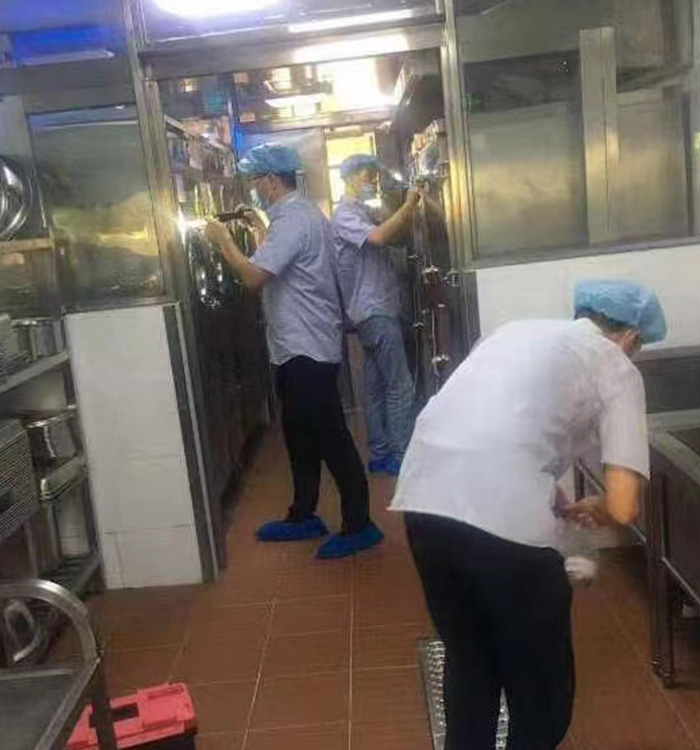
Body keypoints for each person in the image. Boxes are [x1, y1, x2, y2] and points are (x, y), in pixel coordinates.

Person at [390, 279, 668, 749]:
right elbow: (624, 505)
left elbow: (494, 429)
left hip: (424, 503)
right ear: (631, 338)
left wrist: (552, 498)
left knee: (470, 663)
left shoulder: (515, 332)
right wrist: (600, 507)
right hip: (504, 531)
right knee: (542, 696)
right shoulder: (615, 365)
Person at [204, 143, 383, 560]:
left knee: (330, 436)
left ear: (270, 180)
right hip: (296, 345)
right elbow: (279, 261)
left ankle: (361, 524)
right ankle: (303, 514)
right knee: (300, 435)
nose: (254, 188)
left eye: (255, 181)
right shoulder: (298, 215)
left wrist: (223, 240)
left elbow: (254, 277)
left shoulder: (293, 221)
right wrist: (258, 228)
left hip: (307, 348)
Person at [331, 154, 420, 477]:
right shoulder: (344, 215)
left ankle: (381, 453)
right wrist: (409, 204)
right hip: (375, 311)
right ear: (350, 176)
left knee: (376, 388)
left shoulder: (363, 211)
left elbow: (392, 233)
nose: (372, 181)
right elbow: (380, 237)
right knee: (399, 386)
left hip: (372, 311)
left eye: (374, 176)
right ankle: (401, 455)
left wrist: (399, 208)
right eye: (367, 175)